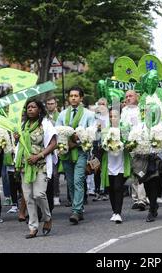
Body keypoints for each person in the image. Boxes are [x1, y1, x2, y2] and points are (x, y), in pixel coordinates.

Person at [15, 99, 57, 238]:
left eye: (33, 107)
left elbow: (53, 144)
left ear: (39, 109)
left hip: (40, 165)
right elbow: (19, 145)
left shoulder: (46, 124)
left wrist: (38, 156)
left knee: (39, 194)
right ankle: (33, 227)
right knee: (28, 197)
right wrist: (17, 138)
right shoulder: (23, 125)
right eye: (28, 107)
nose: (30, 109)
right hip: (25, 166)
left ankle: (47, 217)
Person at [56, 87, 95, 224]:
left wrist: (77, 141)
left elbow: (92, 133)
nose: (73, 98)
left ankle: (76, 210)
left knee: (78, 180)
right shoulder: (62, 114)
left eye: (76, 96)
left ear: (81, 98)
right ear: (68, 98)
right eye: (71, 96)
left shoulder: (89, 114)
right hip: (65, 152)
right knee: (71, 182)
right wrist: (66, 144)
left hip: (81, 151)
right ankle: (77, 207)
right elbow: (57, 132)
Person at [100, 109, 131, 223]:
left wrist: (125, 143)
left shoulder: (124, 129)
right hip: (108, 163)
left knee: (118, 187)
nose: (113, 118)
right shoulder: (105, 130)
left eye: (116, 116)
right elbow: (101, 145)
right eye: (111, 116)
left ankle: (118, 212)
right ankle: (114, 211)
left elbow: (130, 143)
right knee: (111, 188)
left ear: (120, 117)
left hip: (121, 163)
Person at [121, 90, 147, 211]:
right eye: (126, 96)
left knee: (140, 170)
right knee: (131, 170)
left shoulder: (141, 109)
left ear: (137, 97)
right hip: (127, 143)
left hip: (139, 142)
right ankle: (136, 198)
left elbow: (144, 125)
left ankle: (142, 199)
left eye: (130, 96)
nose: (128, 98)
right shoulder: (124, 110)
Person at [45, 96, 61, 206]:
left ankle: (56, 195)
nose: (50, 105)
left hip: (58, 147)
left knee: (55, 174)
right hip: (46, 146)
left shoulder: (60, 116)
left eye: (52, 103)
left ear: (56, 104)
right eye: (48, 104)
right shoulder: (43, 117)